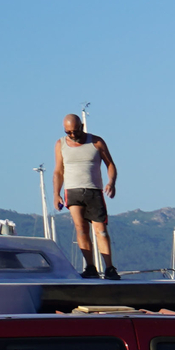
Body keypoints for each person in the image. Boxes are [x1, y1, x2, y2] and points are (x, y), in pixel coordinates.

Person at [53, 114, 120, 279]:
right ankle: (91, 267)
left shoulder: (96, 142)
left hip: (94, 191)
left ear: (82, 126)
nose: (73, 135)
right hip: (73, 191)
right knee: (81, 229)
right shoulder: (61, 144)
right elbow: (58, 171)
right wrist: (56, 194)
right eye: (68, 132)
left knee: (101, 230)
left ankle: (110, 268)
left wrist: (111, 182)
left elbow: (110, 164)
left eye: (75, 131)